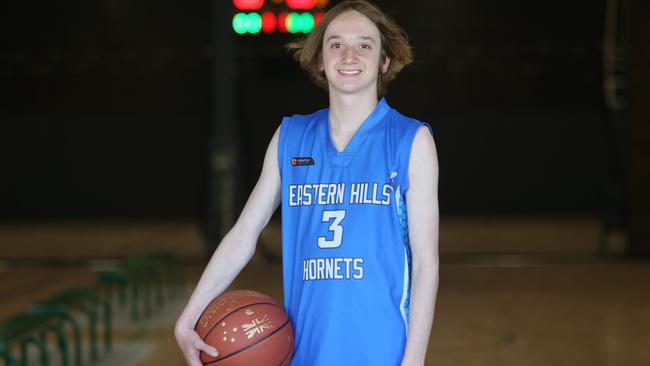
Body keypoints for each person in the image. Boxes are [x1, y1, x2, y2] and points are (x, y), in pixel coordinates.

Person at [175, 1, 439, 365]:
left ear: (384, 62)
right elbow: (244, 235)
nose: (349, 55)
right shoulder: (290, 136)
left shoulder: (411, 139)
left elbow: (427, 263)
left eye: (364, 44)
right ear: (319, 59)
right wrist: (188, 317)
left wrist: (414, 360)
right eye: (335, 44)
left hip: (383, 353)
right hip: (304, 353)